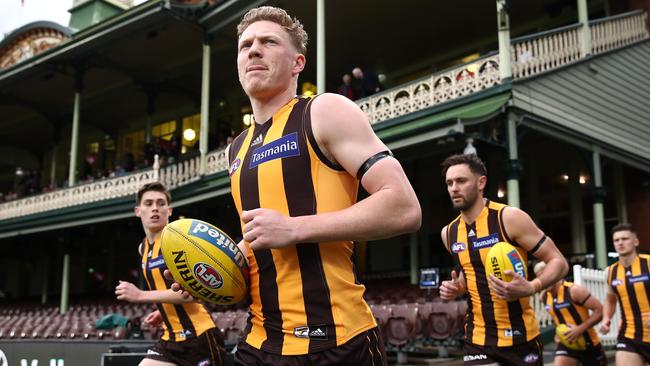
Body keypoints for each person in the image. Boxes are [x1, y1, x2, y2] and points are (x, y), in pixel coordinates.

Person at [225, 6, 420, 366]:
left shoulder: (324, 111)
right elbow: (259, 235)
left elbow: (404, 207)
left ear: (298, 63)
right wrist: (216, 263)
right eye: (245, 45)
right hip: (259, 343)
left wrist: (294, 228)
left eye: (268, 41)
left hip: (335, 341)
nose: (253, 50)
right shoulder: (235, 149)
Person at [438, 153, 568, 366]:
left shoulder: (509, 218)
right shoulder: (449, 233)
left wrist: (532, 286)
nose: (453, 188)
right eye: (449, 183)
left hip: (521, 338)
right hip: (477, 339)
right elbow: (471, 274)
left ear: (481, 182)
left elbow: (559, 262)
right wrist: (457, 288)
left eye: (461, 181)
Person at [116, 182, 224, 366]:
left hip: (199, 338)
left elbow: (192, 294)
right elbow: (168, 288)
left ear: (170, 210)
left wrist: (140, 295)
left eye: (161, 203)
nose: (155, 209)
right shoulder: (144, 248)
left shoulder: (179, 243)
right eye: (148, 204)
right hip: (170, 338)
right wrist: (162, 309)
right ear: (137, 211)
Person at [534, 261, 607, 366]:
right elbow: (558, 316)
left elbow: (599, 310)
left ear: (554, 274)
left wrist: (580, 329)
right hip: (566, 344)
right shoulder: (543, 297)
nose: (545, 281)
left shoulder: (574, 290)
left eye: (546, 276)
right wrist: (558, 332)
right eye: (541, 278)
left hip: (589, 343)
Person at [600, 223, 650, 366]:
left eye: (625, 239)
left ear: (636, 241)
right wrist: (606, 318)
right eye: (616, 240)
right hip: (629, 335)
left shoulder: (648, 263)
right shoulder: (610, 272)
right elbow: (610, 300)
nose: (620, 243)